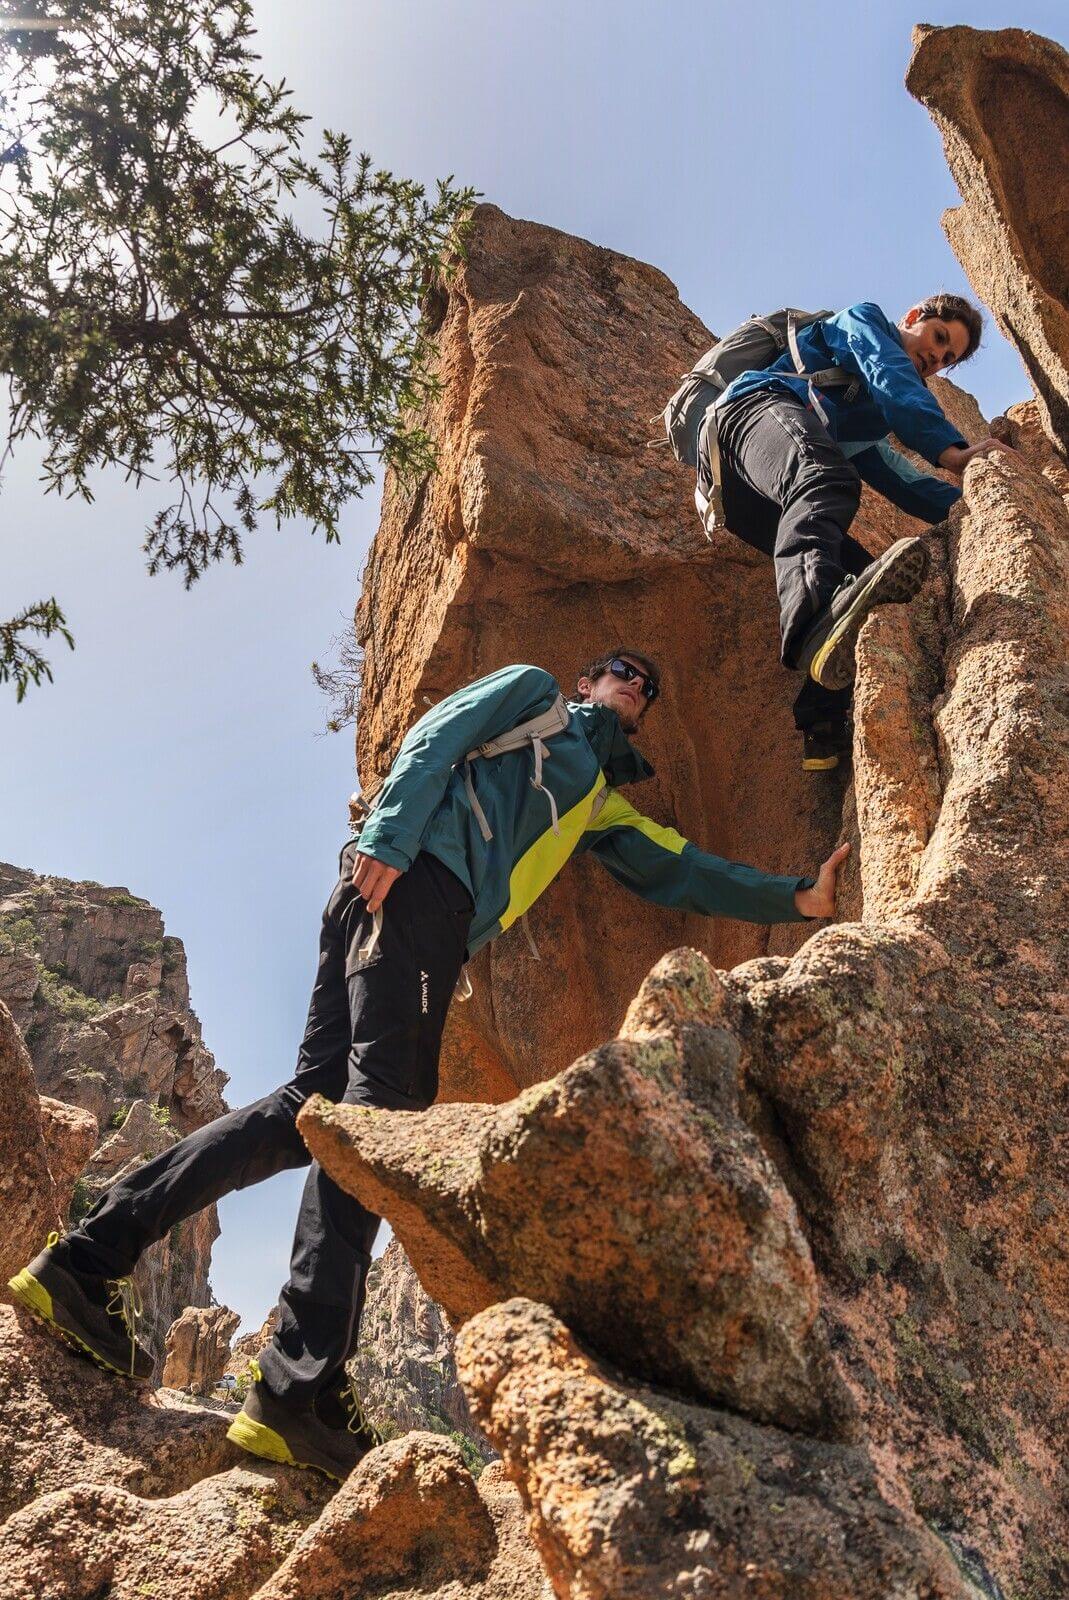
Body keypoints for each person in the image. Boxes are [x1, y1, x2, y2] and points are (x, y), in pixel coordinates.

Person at [9, 650, 850, 1481]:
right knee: (375, 1119)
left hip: (402, 900)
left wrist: (794, 898)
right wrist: (390, 834)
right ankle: (298, 1386)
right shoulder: (537, 697)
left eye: (648, 687)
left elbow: (681, 869)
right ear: (586, 681)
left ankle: (86, 1262)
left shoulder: (597, 800)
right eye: (622, 670)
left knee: (311, 1106)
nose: (636, 685)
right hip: (411, 883)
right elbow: (436, 734)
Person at [701, 295, 1017, 770]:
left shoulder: (867, 413)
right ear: (913, 316)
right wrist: (953, 452)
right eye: (938, 338)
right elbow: (891, 375)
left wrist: (979, 504)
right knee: (825, 478)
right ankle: (809, 627)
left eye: (947, 358)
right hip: (748, 416)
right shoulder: (862, 322)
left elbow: (901, 479)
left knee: (866, 586)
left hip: (753, 502)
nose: (936, 357)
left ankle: (822, 724)